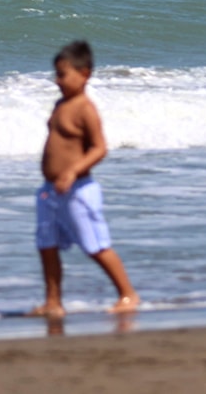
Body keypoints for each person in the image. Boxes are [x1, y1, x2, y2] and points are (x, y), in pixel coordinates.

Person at [32, 40, 139, 318]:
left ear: (85, 74)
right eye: (55, 74)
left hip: (78, 190)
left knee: (95, 245)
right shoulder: (61, 103)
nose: (57, 80)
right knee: (47, 245)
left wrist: (72, 170)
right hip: (50, 190)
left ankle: (128, 293)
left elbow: (100, 147)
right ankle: (53, 302)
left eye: (63, 74)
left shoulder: (84, 108)